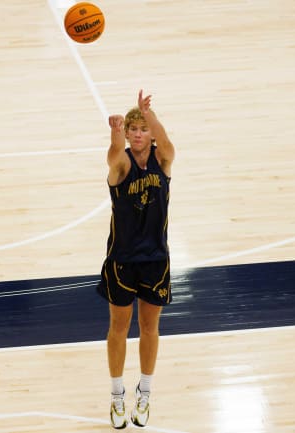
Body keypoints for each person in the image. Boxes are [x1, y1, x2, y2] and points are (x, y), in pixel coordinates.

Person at [96, 89, 175, 429]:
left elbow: (167, 141)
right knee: (118, 327)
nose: (140, 133)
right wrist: (115, 132)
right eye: (134, 129)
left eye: (144, 128)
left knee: (149, 328)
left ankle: (145, 393)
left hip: (156, 259)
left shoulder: (164, 159)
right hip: (123, 260)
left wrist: (148, 113)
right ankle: (117, 397)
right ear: (129, 134)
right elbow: (114, 155)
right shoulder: (122, 163)